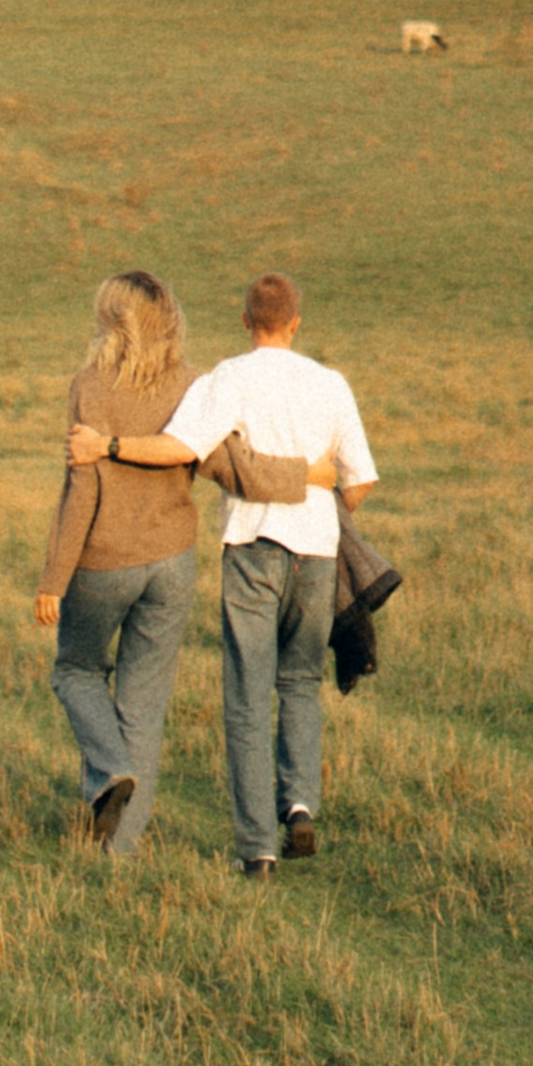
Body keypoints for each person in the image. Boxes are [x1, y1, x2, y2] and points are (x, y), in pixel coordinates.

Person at [70, 271, 376, 878]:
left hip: (253, 549)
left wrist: (107, 447)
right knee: (299, 683)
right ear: (296, 322)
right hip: (316, 553)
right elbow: (360, 483)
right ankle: (300, 805)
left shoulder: (229, 377)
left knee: (245, 699)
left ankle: (257, 850)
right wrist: (317, 491)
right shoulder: (331, 383)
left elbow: (180, 449)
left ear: (245, 321)